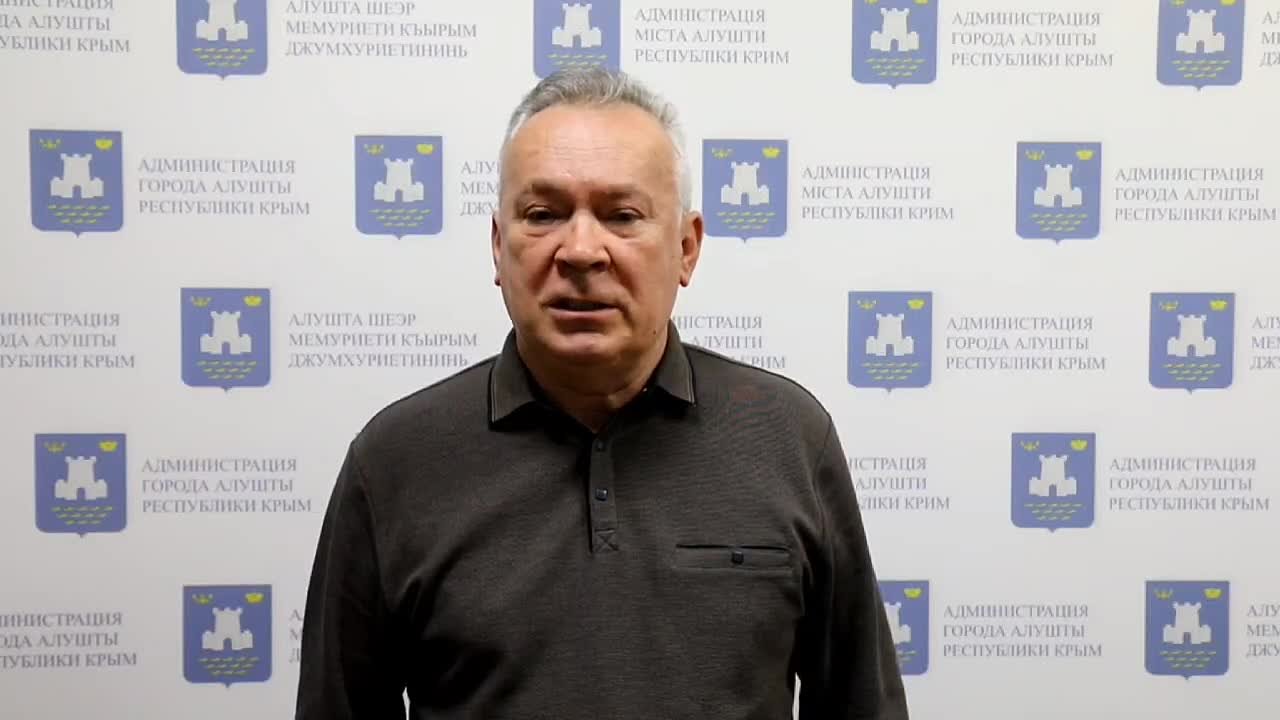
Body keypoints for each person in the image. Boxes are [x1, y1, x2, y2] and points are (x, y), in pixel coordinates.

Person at [295, 67, 909, 719]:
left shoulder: (789, 438)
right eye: (543, 215)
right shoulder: (394, 461)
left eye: (622, 216)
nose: (582, 251)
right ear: (498, 247)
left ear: (687, 248)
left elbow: (862, 705)